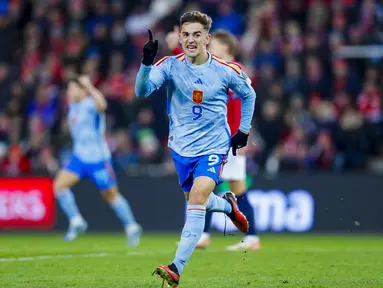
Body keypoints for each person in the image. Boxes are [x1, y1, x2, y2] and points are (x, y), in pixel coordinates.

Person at [135, 11, 256, 287]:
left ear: (207, 38)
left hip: (214, 145)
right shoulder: (169, 65)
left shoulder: (226, 70)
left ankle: (176, 266)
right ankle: (226, 206)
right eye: (186, 34)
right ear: (180, 37)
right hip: (181, 147)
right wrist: (145, 63)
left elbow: (249, 94)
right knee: (196, 199)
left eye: (197, 34)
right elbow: (141, 91)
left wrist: (244, 131)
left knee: (198, 196)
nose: (191, 40)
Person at [166, 27, 261, 251]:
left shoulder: (233, 71)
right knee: (213, 187)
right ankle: (208, 235)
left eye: (214, 43)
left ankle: (245, 237)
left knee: (226, 189)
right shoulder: (216, 69)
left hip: (227, 140)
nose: (208, 46)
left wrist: (242, 135)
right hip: (215, 139)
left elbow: (242, 105)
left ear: (226, 47)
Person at [53, 75, 142, 247]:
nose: (69, 92)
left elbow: (103, 105)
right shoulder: (73, 105)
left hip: (98, 159)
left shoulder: (90, 104)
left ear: (82, 90)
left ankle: (132, 226)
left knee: (111, 196)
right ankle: (77, 221)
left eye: (72, 89)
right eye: (69, 89)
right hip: (79, 158)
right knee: (59, 186)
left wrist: (90, 86)